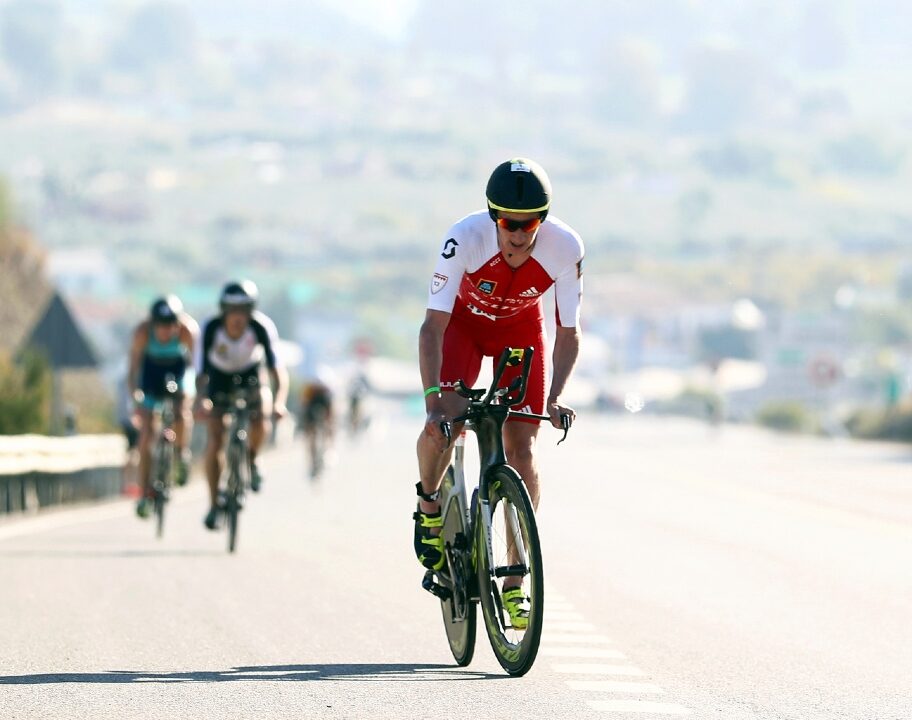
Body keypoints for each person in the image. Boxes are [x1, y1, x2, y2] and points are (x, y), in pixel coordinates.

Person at [414, 157, 584, 628]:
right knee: (442, 429)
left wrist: (554, 398)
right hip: (462, 330)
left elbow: (567, 332)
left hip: (518, 333)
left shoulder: (564, 248)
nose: (520, 232)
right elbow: (433, 328)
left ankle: (514, 582)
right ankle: (429, 505)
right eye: (510, 222)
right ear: (494, 217)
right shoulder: (464, 239)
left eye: (530, 223)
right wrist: (434, 403)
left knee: (522, 450)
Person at [194, 280, 289, 530]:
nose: (237, 318)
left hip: (250, 375)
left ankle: (253, 458)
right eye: (231, 311)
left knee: (262, 412)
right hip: (218, 378)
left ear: (251, 311)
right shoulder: (210, 328)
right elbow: (200, 371)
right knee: (215, 439)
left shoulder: (261, 327)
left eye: (243, 311)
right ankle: (215, 504)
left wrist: (279, 403)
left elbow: (277, 371)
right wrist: (201, 399)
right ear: (223, 310)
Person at [128, 295, 197, 519]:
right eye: (161, 326)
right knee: (146, 435)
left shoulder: (187, 331)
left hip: (178, 371)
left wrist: (190, 395)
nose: (166, 331)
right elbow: (133, 370)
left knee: (182, 411)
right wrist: (136, 399)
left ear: (177, 324)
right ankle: (144, 492)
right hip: (151, 374)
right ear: (153, 324)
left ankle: (181, 453)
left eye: (170, 326)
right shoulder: (142, 333)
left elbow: (193, 367)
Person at [298, 375, 335, 479]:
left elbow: (331, 412)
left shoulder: (326, 392)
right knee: (311, 434)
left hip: (323, 405)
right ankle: (313, 458)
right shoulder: (309, 391)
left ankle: (328, 449)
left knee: (329, 427)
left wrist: (330, 426)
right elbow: (304, 407)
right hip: (311, 408)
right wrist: (307, 428)